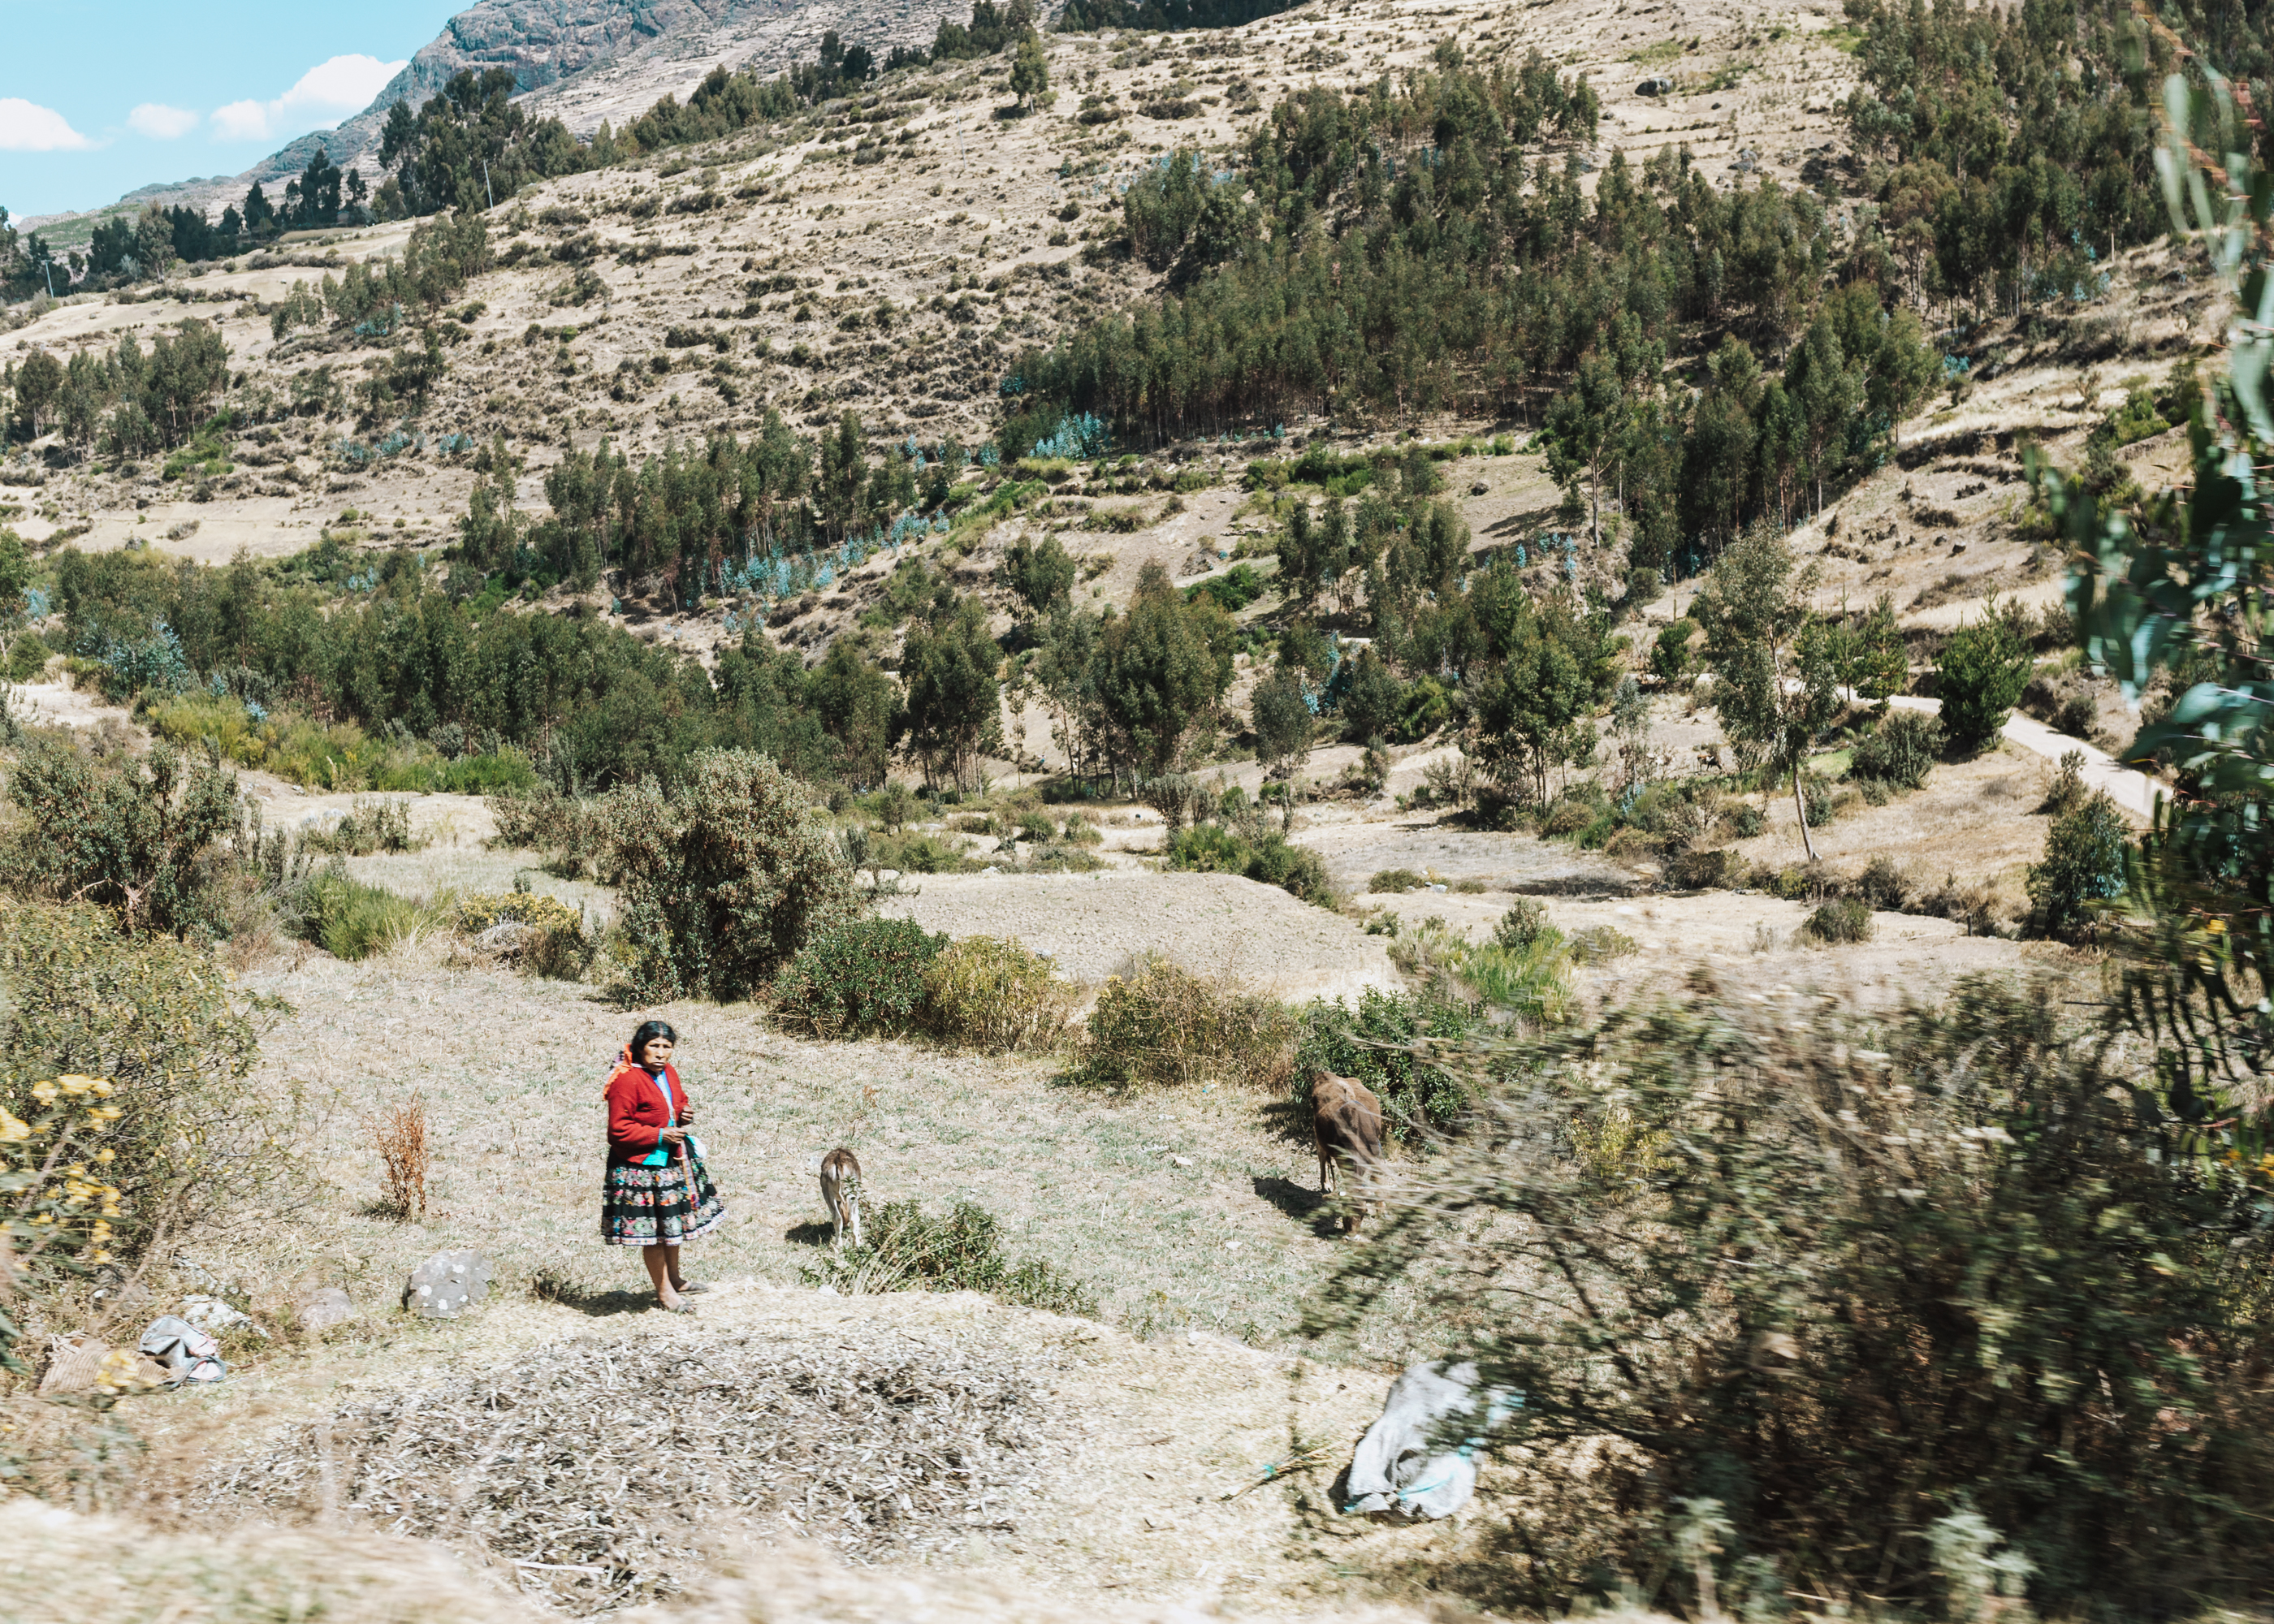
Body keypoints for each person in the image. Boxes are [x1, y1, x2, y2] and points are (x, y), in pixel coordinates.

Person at [601, 1019, 725, 1311]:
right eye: (653, 1046)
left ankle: (676, 1279)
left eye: (666, 1047)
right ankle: (665, 1294)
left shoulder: (668, 1072)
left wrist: (683, 1114)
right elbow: (617, 1130)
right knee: (655, 1233)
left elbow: (677, 1102)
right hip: (639, 1168)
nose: (660, 1053)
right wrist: (659, 1134)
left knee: (671, 1226)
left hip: (669, 1161)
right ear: (640, 1047)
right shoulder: (626, 1080)